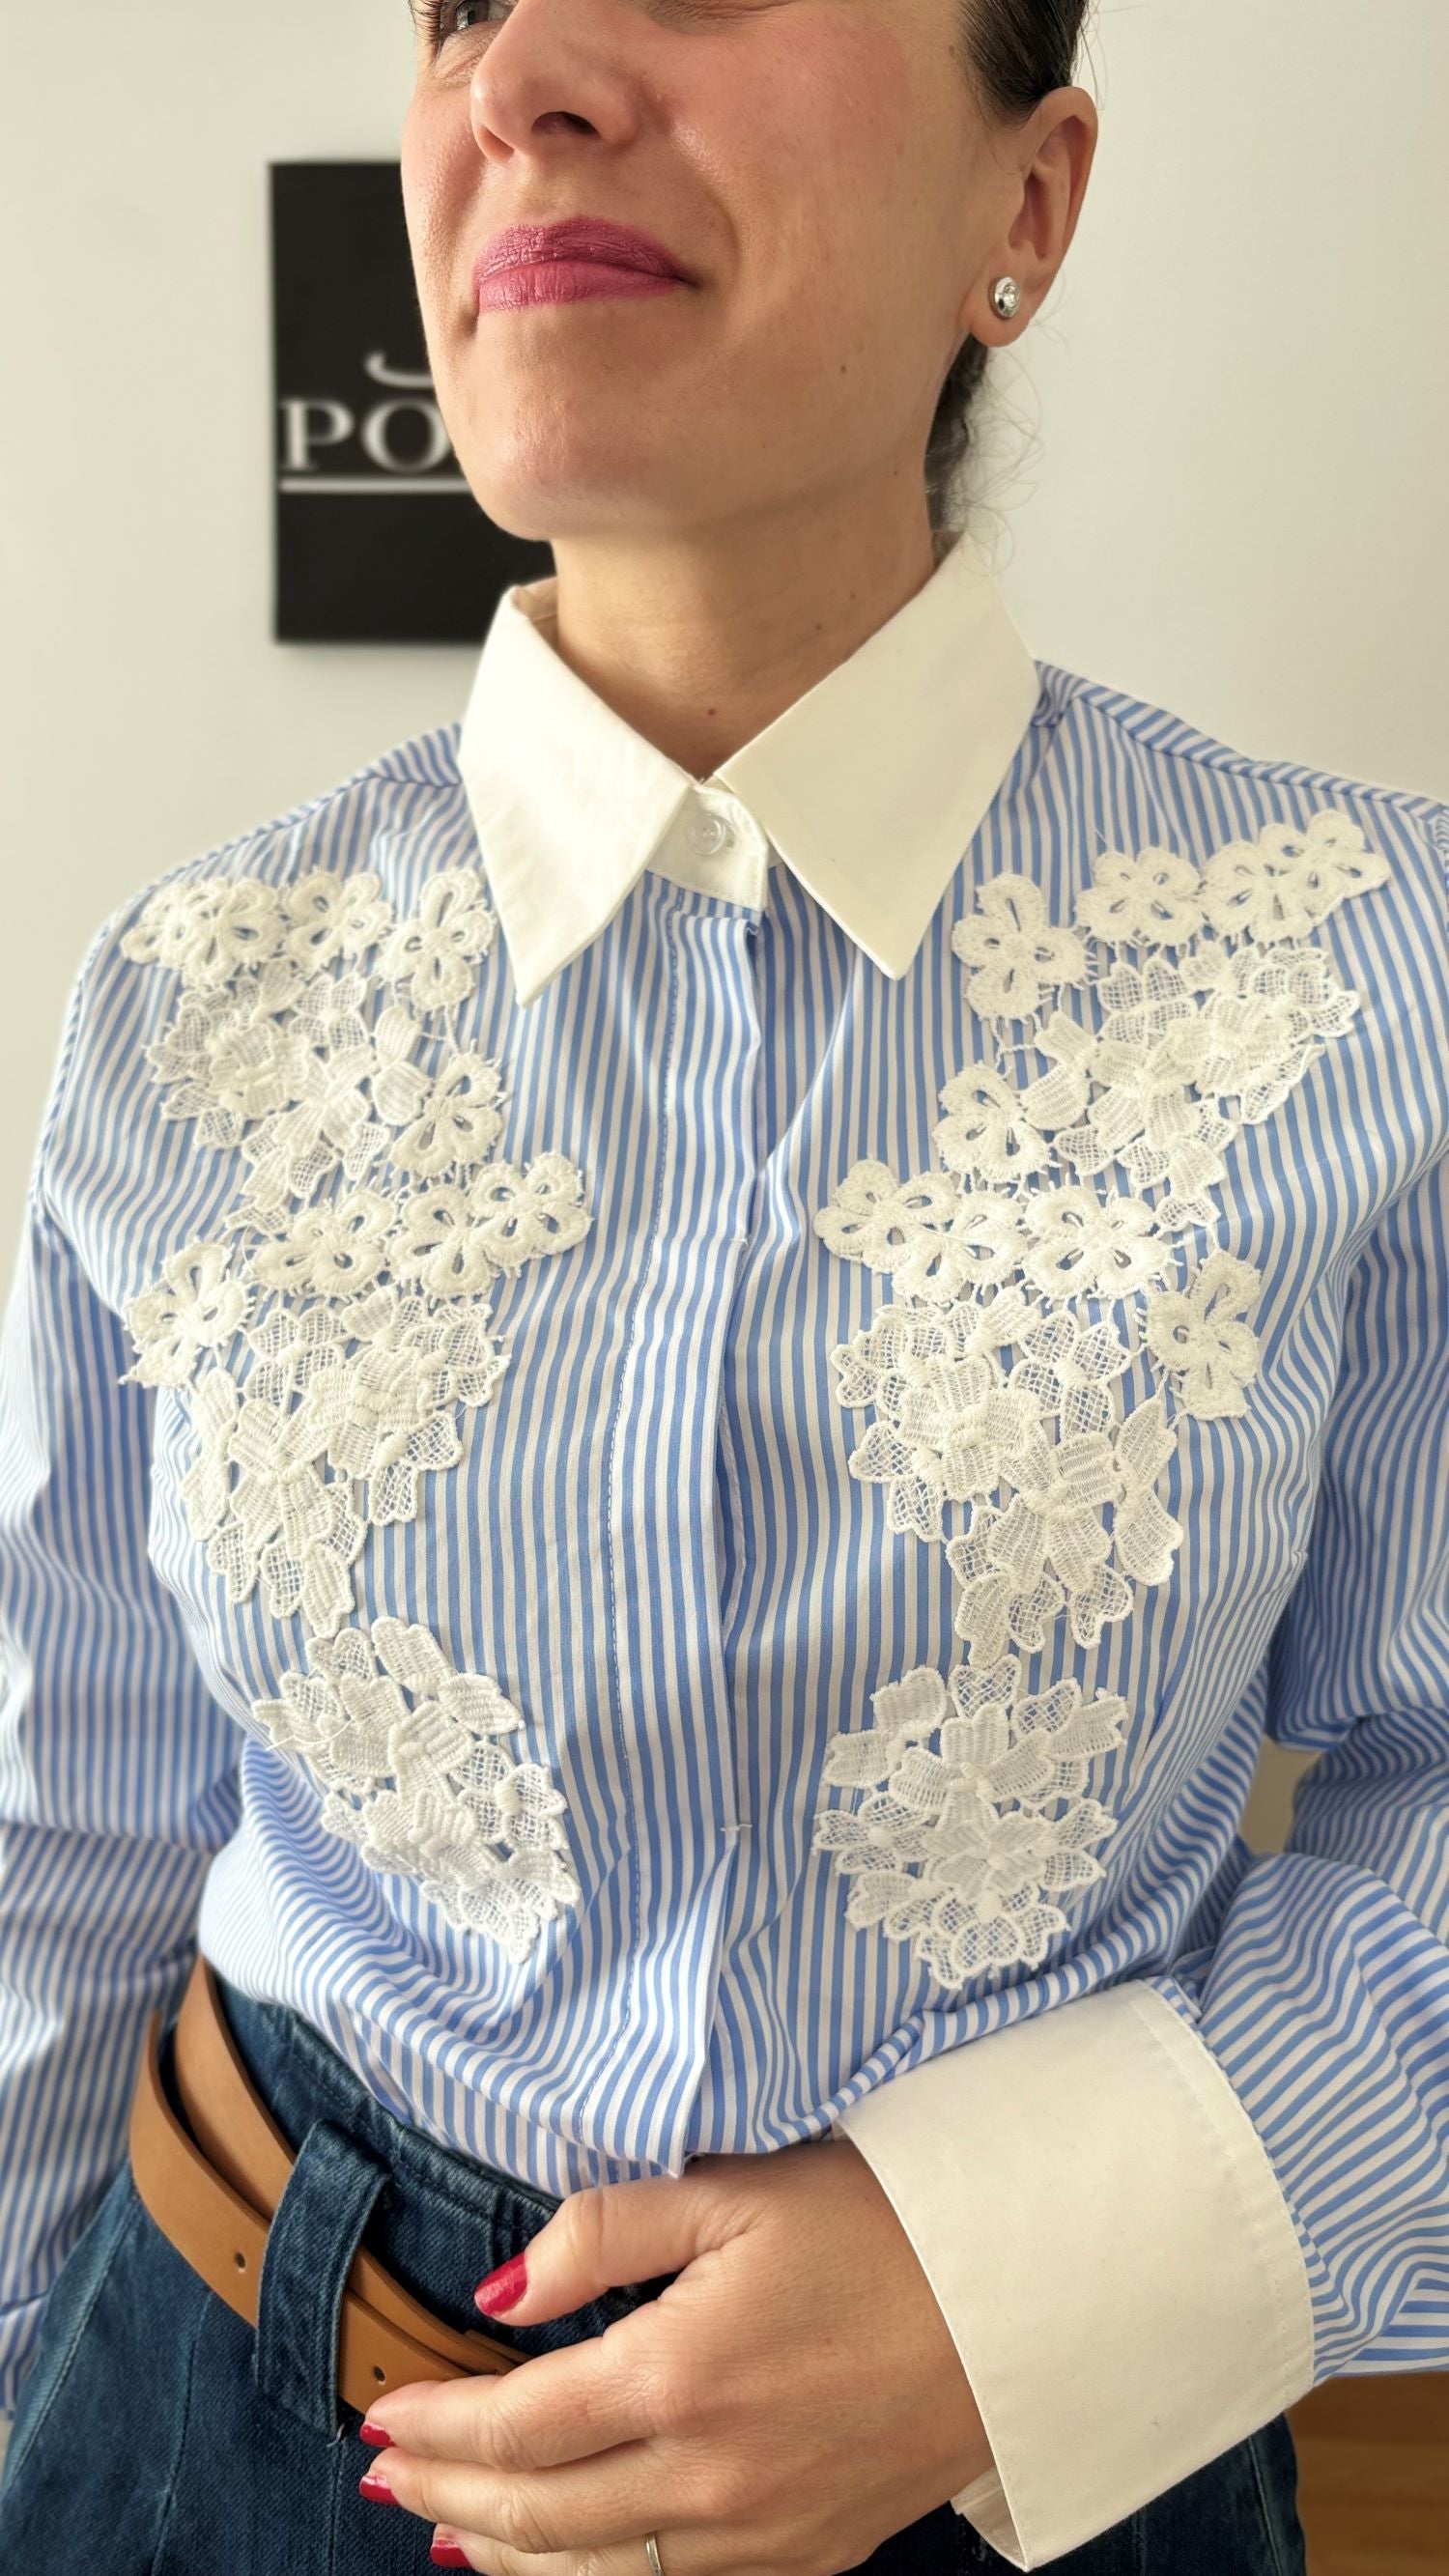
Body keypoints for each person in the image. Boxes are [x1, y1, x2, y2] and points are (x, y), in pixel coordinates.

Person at [0, 0, 1443, 2569]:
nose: (522, 69)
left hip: (1033, 2480)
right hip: (209, 2409)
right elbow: (64, 1832)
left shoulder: (1369, 978)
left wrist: (1026, 2274)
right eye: (456, 3)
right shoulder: (183, 1000)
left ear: (1030, 201)